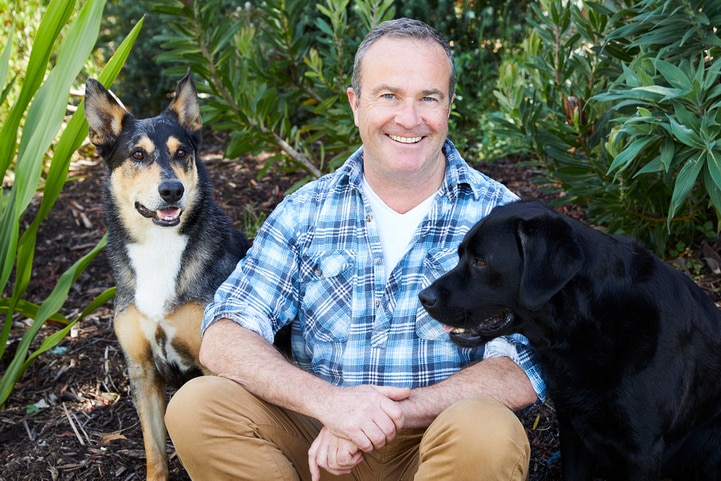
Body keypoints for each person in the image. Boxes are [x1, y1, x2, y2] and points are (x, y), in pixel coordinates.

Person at [165, 17, 546, 481]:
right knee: (197, 406)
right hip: (318, 442)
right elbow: (226, 333)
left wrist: (387, 416)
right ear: (355, 103)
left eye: (428, 97)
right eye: (388, 96)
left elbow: (526, 363)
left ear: (448, 107)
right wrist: (331, 405)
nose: (409, 118)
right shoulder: (305, 211)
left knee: (488, 429)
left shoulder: (503, 218)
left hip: (439, 442)